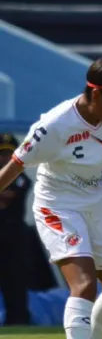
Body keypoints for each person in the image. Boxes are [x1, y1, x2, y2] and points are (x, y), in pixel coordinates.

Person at [0, 45, 102, 338]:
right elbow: (14, 166)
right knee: (84, 284)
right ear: (97, 95)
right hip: (58, 206)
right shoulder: (55, 125)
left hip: (96, 205)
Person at [0, 133, 32, 325]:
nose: (4, 158)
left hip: (13, 238)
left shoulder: (21, 178)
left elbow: (10, 197)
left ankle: (18, 321)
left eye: (8, 154)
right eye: (1, 154)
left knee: (15, 282)